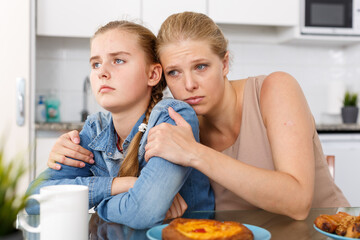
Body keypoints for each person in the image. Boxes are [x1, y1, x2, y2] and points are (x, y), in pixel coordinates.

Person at [47, 12, 349, 220]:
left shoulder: (274, 89)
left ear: (225, 63)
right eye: (175, 73)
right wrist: (66, 151)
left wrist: (195, 153)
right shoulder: (175, 123)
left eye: (201, 66)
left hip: (326, 232)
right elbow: (145, 201)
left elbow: (297, 203)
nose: (188, 84)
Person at [26, 20, 214, 229]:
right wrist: (117, 185)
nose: (102, 72)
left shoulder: (173, 116)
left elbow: (142, 211)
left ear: (152, 74)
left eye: (118, 60)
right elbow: (33, 200)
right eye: (96, 64)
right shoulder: (95, 128)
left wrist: (97, 203)